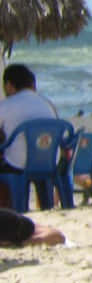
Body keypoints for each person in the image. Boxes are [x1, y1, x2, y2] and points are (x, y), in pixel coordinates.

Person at [0, 64, 59, 207]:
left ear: (8, 85)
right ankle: (46, 203)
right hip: (49, 162)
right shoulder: (47, 104)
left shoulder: (6, 105)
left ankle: (13, 207)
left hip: (18, 163)